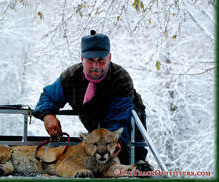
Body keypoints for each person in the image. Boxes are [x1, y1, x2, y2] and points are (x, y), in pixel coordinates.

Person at [33, 30, 148, 165]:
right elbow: (48, 96)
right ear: (82, 59)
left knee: (129, 158)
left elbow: (120, 118)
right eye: (90, 60)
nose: (96, 66)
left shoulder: (121, 78)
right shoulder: (70, 78)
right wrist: (48, 115)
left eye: (101, 60)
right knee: (96, 162)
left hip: (127, 121)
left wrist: (116, 143)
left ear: (109, 57)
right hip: (93, 122)